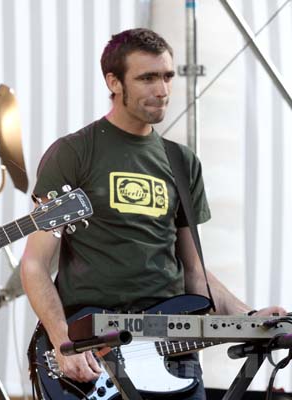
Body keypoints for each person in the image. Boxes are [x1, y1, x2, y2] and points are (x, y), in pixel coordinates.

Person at [21, 28, 286, 399]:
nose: (161, 90)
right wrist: (63, 341)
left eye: (167, 76)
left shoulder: (182, 161)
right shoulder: (74, 153)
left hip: (173, 346)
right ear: (114, 82)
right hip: (96, 347)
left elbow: (193, 272)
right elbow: (34, 264)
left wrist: (247, 318)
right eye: (147, 78)